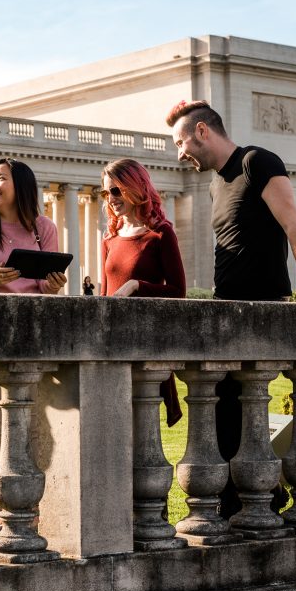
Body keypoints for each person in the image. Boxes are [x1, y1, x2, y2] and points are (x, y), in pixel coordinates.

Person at [165, 99, 296, 518]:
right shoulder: (213, 183)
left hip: (260, 311)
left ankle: (246, 506)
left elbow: (294, 225)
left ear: (203, 131)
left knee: (235, 412)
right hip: (226, 311)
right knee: (220, 414)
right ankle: (242, 505)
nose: (179, 153)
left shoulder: (257, 162)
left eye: (180, 141)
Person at [0, 157, 66, 533]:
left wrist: (50, 285)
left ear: (20, 185)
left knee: (35, 422)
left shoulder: (44, 228)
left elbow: (43, 286)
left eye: (0, 178)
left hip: (33, 336)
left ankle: (29, 501)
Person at [100, 157, 185, 424]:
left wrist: (137, 286)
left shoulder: (161, 234)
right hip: (113, 342)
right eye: (106, 192)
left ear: (136, 186)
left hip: (144, 340)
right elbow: (105, 295)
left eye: (116, 189)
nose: (111, 198)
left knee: (141, 424)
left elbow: (177, 291)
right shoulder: (110, 238)